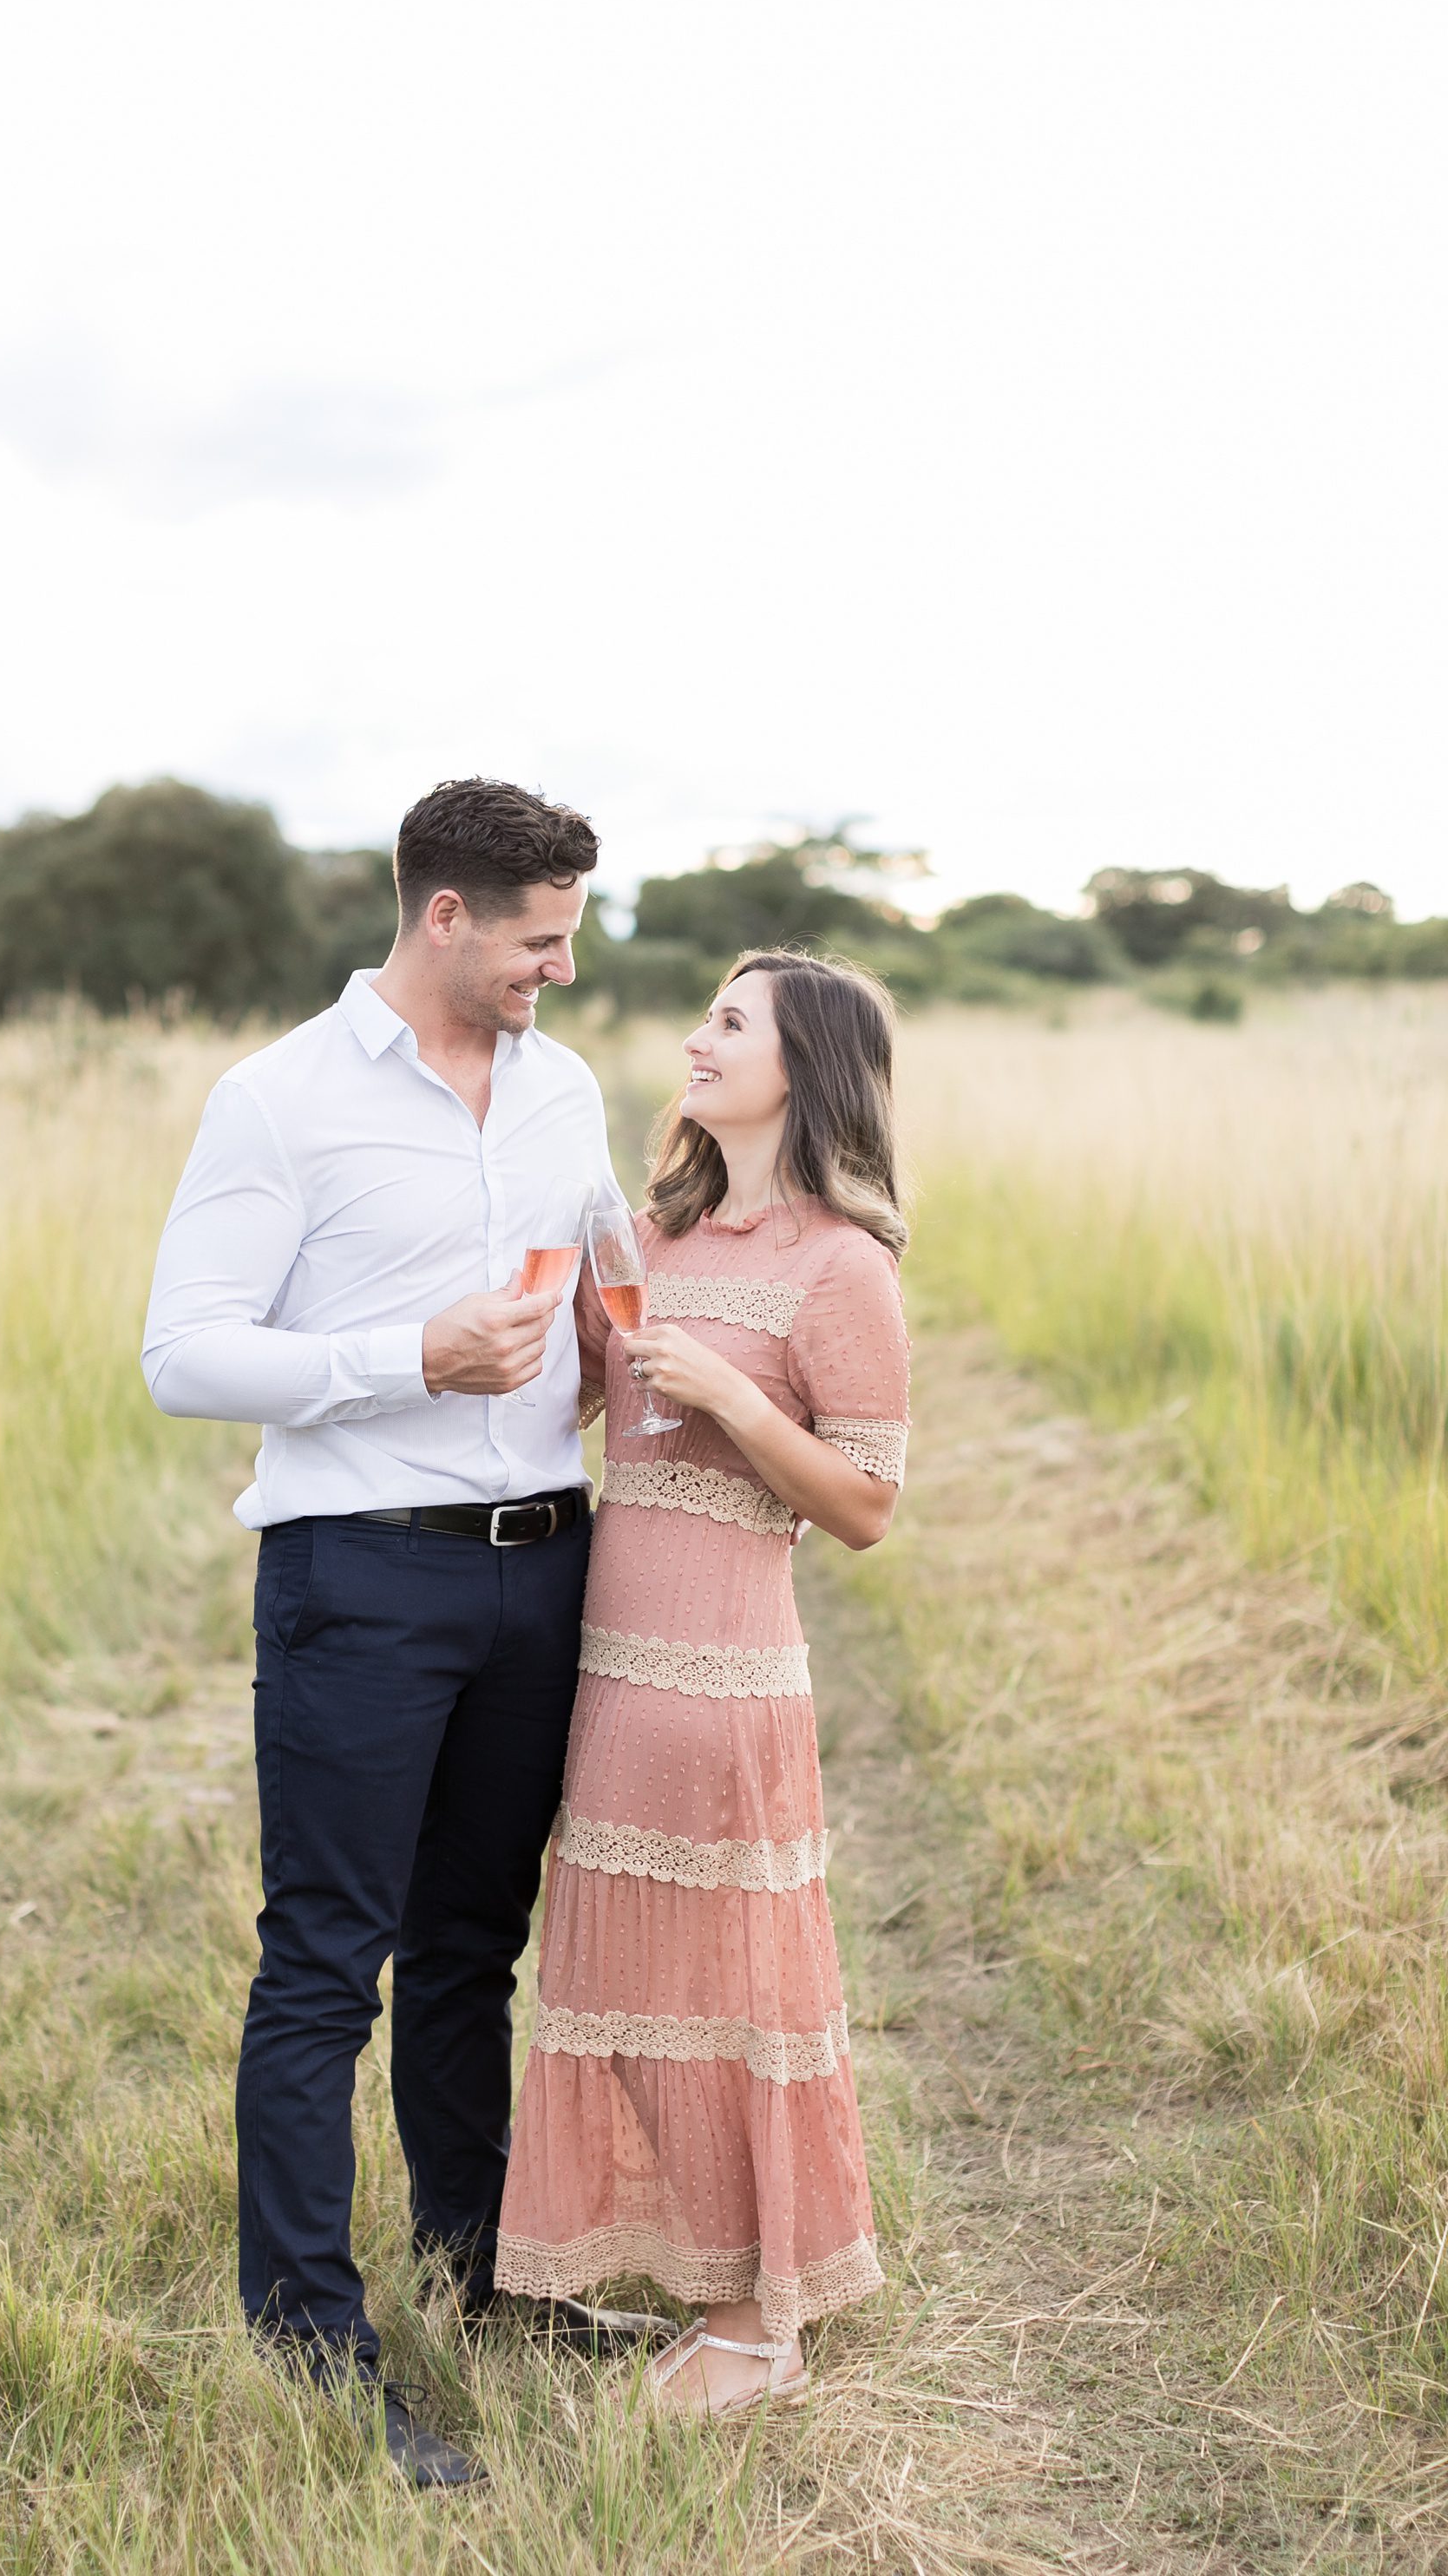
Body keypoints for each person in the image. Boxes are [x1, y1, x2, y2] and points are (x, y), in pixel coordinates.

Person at [141, 778, 665, 2489]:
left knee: (471, 1950)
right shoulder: (276, 1103)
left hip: (542, 1569)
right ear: (444, 915)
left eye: (567, 940)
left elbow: (596, 1268)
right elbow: (184, 1355)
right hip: (359, 1578)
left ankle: (484, 2276)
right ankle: (309, 2347)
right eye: (538, 941)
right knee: (324, 1964)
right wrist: (400, 1359)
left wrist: (629, 1335)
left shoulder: (564, 1083)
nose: (558, 973)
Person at [495, 947, 910, 2416]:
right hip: (608, 1669)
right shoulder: (657, 1241)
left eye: (730, 1023)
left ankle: (756, 2325)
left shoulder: (838, 1264)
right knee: (616, 1985)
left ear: (806, 1064)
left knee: (725, 1997)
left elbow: (864, 1505)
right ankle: (714, 2281)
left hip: (724, 1679)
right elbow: (591, 1408)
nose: (696, 1040)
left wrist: (737, 1395)